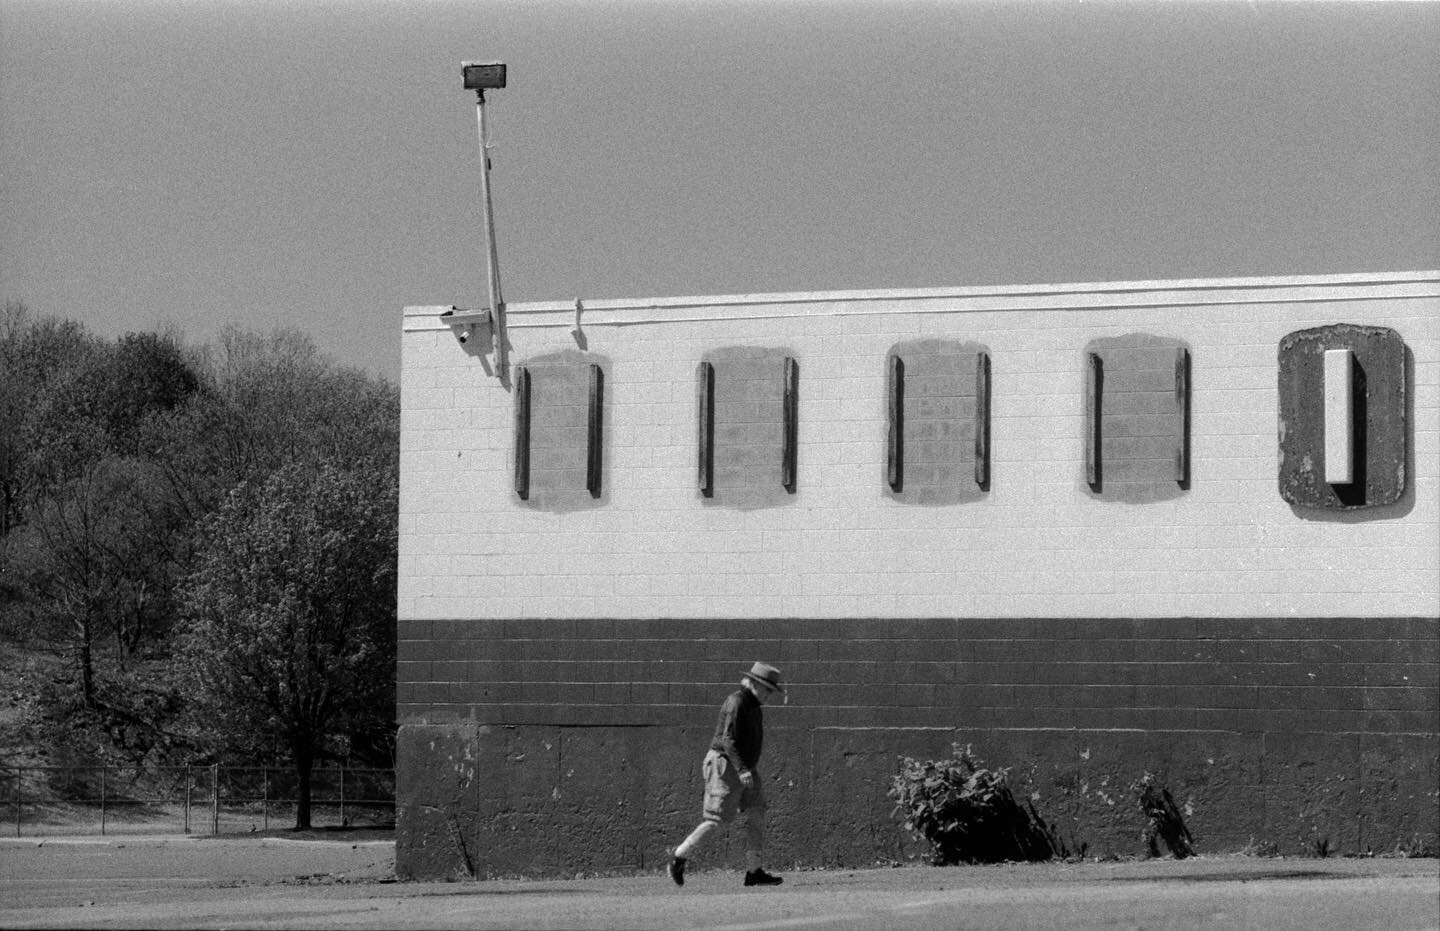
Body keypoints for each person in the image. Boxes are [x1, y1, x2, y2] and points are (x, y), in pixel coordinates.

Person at [668, 661, 786, 888]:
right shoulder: (736, 702)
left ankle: (754, 871)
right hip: (725, 765)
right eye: (767, 689)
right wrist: (742, 770)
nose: (769, 695)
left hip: (745, 769)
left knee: (756, 811)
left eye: (771, 690)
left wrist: (746, 769)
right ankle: (679, 857)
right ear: (753, 684)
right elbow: (728, 740)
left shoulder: (754, 707)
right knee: (716, 820)